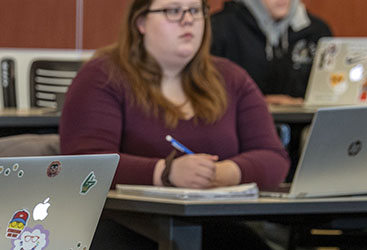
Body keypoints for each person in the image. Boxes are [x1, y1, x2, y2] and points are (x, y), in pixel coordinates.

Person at [59, 0, 289, 248]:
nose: (187, 19)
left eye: (195, 10)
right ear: (141, 22)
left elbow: (274, 158)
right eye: (173, 10)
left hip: (214, 225)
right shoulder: (103, 76)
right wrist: (165, 172)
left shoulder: (231, 78)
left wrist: (228, 172)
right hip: (124, 223)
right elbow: (85, 163)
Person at [211, 0, 332, 105]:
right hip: (243, 124)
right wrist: (258, 103)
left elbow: (331, 91)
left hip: (304, 127)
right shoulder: (220, 29)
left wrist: (302, 104)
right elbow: (207, 90)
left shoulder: (316, 31)